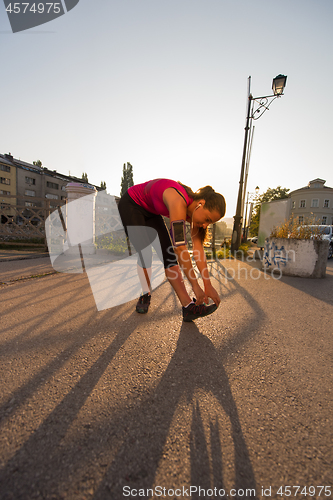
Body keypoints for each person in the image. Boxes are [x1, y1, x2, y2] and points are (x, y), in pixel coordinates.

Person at [117, 178, 226, 321]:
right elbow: (180, 247)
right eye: (207, 219)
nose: (205, 225)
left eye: (209, 223)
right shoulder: (178, 201)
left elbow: (198, 250)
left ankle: (188, 308)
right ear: (201, 203)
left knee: (169, 257)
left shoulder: (194, 214)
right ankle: (145, 294)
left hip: (151, 212)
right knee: (146, 254)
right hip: (131, 203)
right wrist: (195, 286)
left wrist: (207, 284)